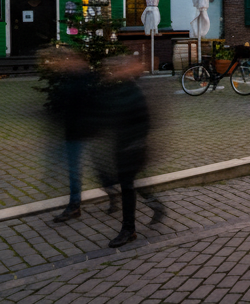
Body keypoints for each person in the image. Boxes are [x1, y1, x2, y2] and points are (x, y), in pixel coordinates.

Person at [95, 55, 164, 247]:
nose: (114, 72)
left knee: (127, 186)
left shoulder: (135, 91)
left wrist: (135, 143)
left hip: (133, 148)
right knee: (132, 185)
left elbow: (146, 122)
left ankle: (128, 229)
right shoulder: (117, 89)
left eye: (118, 69)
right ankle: (155, 206)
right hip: (120, 147)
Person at [44, 46, 97, 223]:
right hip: (72, 132)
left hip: (79, 133)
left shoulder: (82, 79)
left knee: (76, 171)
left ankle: (74, 206)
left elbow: (85, 105)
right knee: (73, 170)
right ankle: (75, 204)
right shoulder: (72, 77)